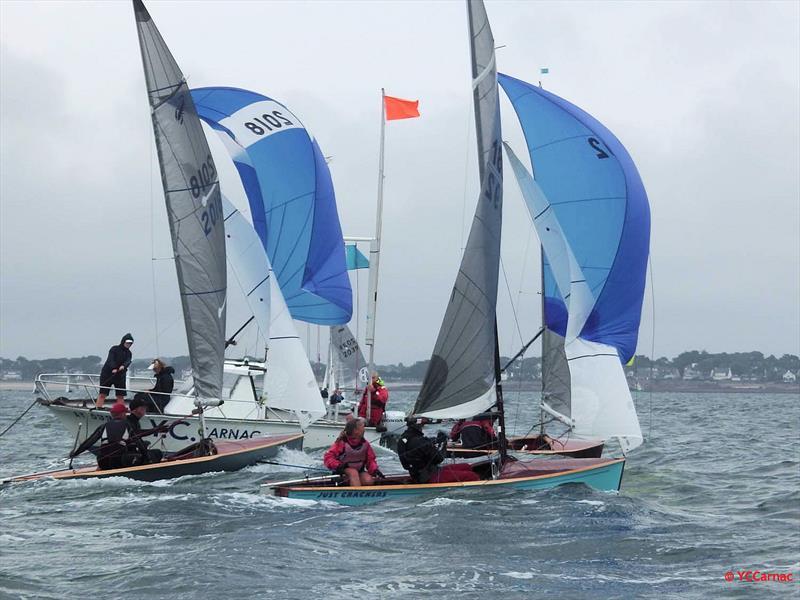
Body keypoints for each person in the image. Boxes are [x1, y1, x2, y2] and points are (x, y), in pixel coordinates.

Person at [397, 418, 480, 484]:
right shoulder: (420, 441)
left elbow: (408, 464)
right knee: (472, 476)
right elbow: (439, 459)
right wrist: (443, 446)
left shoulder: (403, 439)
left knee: (466, 466)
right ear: (419, 425)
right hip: (429, 477)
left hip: (422, 474)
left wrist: (432, 444)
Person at [70, 403, 138, 470]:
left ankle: (100, 468)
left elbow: (88, 442)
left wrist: (75, 453)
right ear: (122, 414)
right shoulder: (128, 425)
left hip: (103, 463)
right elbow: (139, 443)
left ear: (112, 414)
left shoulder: (103, 426)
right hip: (120, 462)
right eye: (125, 413)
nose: (126, 415)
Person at [323, 418, 384, 487]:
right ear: (356, 431)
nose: (364, 429)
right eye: (362, 427)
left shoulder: (365, 444)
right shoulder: (342, 443)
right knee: (353, 472)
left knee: (368, 480)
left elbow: (371, 460)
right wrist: (338, 465)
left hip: (359, 471)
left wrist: (375, 470)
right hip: (342, 471)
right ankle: (356, 495)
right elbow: (328, 457)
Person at [96, 333, 134, 408]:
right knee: (103, 393)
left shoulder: (129, 353)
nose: (128, 344)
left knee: (120, 395)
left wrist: (123, 366)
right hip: (107, 374)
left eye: (130, 343)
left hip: (120, 376)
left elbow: (128, 361)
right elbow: (111, 359)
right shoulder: (114, 349)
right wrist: (114, 368)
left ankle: (121, 410)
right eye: (127, 342)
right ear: (123, 341)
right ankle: (98, 407)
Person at [126, 396, 167, 464]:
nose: (145, 410)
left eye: (145, 408)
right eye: (142, 408)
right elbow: (136, 434)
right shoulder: (128, 421)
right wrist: (155, 430)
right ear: (134, 410)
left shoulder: (135, 421)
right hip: (129, 453)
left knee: (157, 453)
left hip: (135, 451)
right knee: (158, 453)